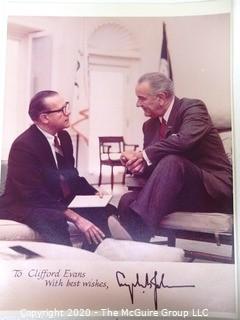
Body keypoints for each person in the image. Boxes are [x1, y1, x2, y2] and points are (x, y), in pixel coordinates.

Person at [117, 72, 232, 241]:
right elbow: (154, 164)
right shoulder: (149, 126)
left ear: (161, 97)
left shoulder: (193, 108)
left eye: (141, 98)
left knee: (173, 161)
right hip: (178, 191)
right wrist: (137, 164)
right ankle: (135, 249)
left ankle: (137, 232)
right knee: (127, 200)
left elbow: (183, 141)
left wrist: (144, 155)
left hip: (212, 192)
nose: (137, 104)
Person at [0, 90, 120, 251]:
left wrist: (94, 193)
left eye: (67, 107)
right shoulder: (24, 145)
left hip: (53, 199)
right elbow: (33, 195)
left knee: (103, 209)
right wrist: (77, 218)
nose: (68, 113)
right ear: (44, 118)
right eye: (62, 109)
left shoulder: (63, 137)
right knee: (54, 218)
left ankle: (89, 258)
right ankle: (66, 266)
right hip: (25, 203)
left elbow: (72, 177)